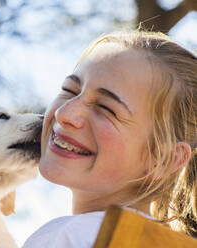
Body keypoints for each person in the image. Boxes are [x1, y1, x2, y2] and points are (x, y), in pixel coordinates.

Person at [23, 30, 197, 248]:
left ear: (164, 158)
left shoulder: (68, 237)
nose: (64, 114)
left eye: (106, 109)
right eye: (69, 90)